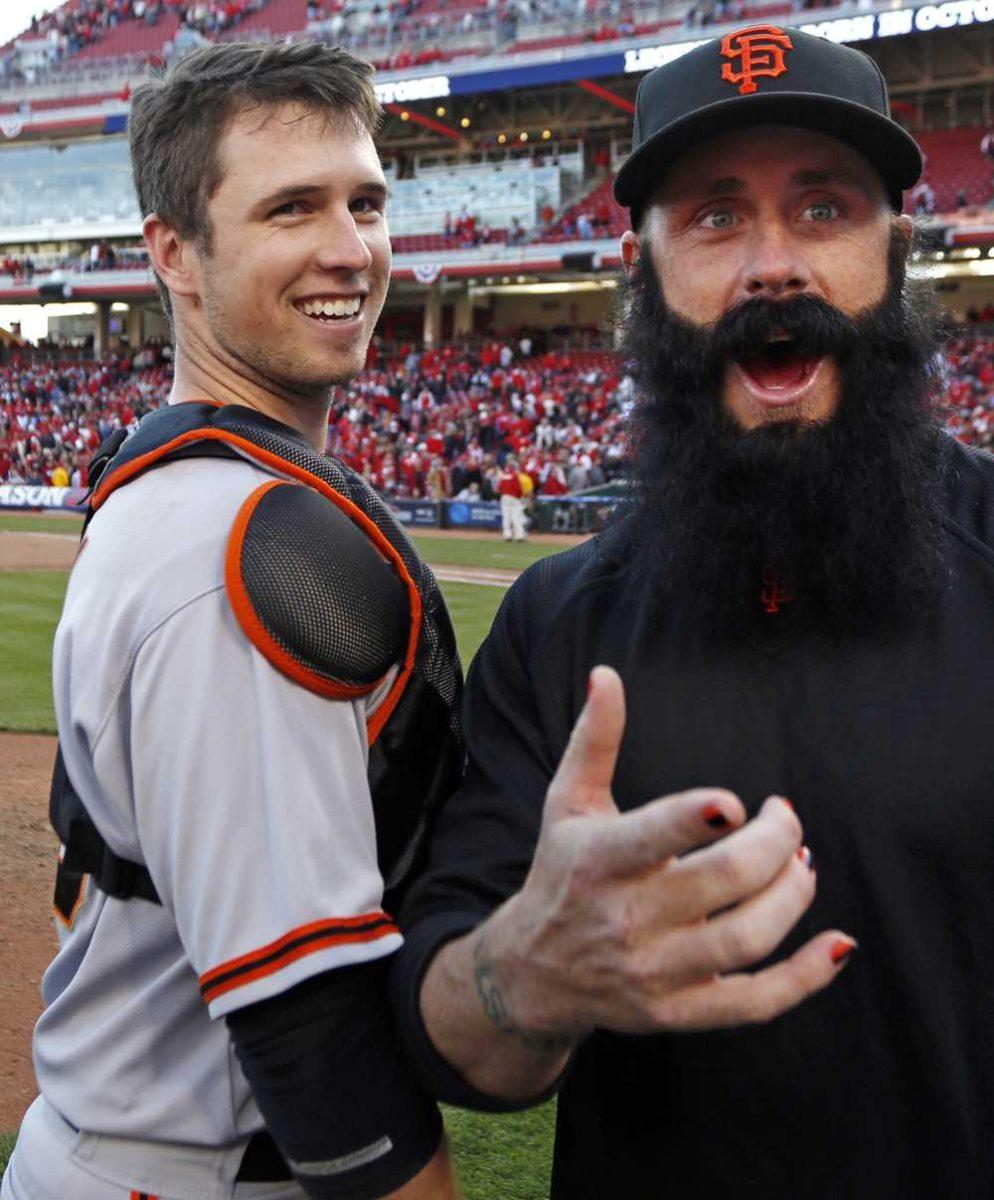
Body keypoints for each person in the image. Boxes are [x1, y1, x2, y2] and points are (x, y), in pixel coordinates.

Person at [391, 25, 994, 1198]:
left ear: (897, 250)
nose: (772, 266)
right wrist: (528, 972)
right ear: (644, 271)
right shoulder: (557, 623)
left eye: (823, 209)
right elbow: (453, 1041)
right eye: (715, 218)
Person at [2, 42, 462, 1200]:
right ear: (177, 254)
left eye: (365, 201)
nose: (349, 249)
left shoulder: (193, 485)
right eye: (292, 207)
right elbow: (306, 1025)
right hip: (201, 1172)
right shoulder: (235, 547)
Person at [497, 454, 527, 541]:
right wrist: (520, 497)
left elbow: (499, 488)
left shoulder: (504, 475)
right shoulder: (514, 475)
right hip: (514, 498)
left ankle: (507, 535)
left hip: (504, 497)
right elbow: (518, 488)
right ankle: (519, 535)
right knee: (517, 516)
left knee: (506, 517)